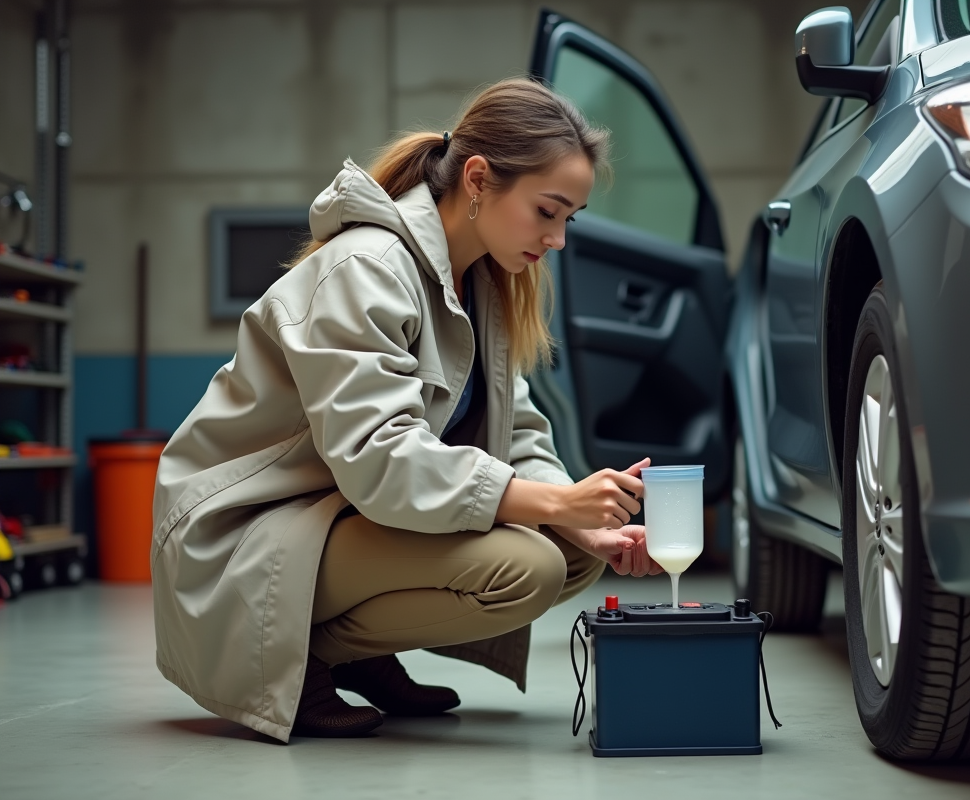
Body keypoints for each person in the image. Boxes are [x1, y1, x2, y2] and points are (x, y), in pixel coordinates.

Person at [151, 78, 664, 743]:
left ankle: (357, 652)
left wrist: (577, 517)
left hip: (337, 516)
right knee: (530, 566)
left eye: (571, 218)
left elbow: (518, 431)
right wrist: (554, 504)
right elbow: (381, 459)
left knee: (573, 551)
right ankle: (301, 656)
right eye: (547, 211)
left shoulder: (481, 282)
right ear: (477, 179)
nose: (558, 238)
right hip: (245, 535)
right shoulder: (366, 269)